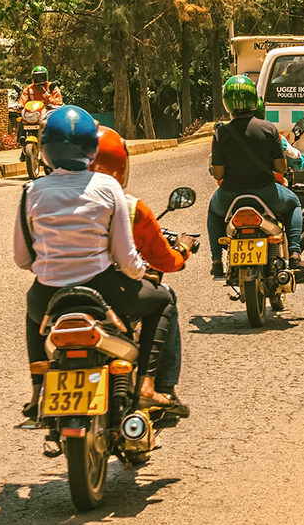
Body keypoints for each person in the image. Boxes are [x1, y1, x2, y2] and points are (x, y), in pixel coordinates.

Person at [14, 106, 175, 419]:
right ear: (92, 148)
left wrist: (53, 266)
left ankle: (37, 393)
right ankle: (147, 385)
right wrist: (144, 274)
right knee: (163, 300)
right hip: (104, 290)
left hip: (48, 295)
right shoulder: (108, 186)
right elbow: (126, 259)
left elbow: (23, 258)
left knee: (34, 310)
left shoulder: (31, 191)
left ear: (45, 149)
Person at [89, 125, 195, 416]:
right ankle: (158, 386)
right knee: (165, 298)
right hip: (114, 287)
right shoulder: (130, 206)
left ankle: (38, 390)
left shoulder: (49, 196)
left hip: (60, 290)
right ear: (121, 165)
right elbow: (163, 262)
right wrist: (183, 249)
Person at [207, 75, 304, 280]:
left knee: (213, 210)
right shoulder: (269, 129)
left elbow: (218, 173)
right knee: (294, 203)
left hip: (230, 196)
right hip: (267, 193)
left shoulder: (220, 133)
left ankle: (216, 261)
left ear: (227, 102)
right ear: (253, 99)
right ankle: (294, 254)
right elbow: (280, 166)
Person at [17, 66, 63, 161]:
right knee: (21, 121)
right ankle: (22, 145)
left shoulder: (52, 87)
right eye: (36, 77)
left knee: (53, 123)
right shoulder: (29, 88)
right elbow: (23, 99)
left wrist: (45, 94)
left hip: (46, 113)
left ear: (45, 77)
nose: (38, 80)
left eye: (41, 77)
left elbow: (58, 102)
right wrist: (20, 106)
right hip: (33, 114)